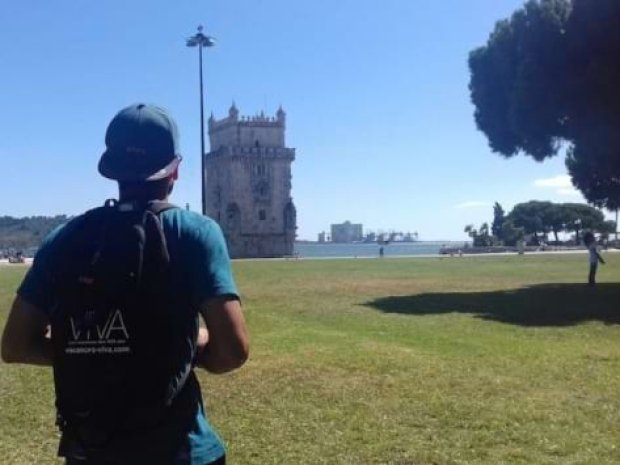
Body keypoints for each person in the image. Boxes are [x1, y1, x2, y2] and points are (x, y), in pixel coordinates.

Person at [1, 103, 249, 465]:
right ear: (174, 171)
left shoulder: (64, 239)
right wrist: (175, 349)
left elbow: (14, 345)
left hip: (92, 448)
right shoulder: (196, 234)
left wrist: (96, 348)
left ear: (111, 169)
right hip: (180, 450)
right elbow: (232, 351)